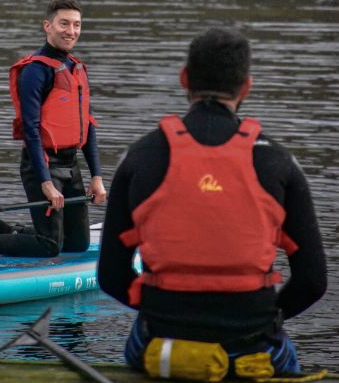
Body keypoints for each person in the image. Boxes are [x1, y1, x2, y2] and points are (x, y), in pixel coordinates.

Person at [98, 27, 327, 379]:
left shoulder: (139, 157)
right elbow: (313, 282)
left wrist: (160, 311)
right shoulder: (280, 163)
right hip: (252, 348)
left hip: (162, 345)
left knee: (141, 341)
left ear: (184, 78)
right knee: (285, 357)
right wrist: (266, 318)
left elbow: (111, 277)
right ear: (246, 86)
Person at [0, 0, 106, 261]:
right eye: (64, 24)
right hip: (42, 165)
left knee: (77, 244)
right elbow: (31, 130)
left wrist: (96, 176)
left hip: (71, 165)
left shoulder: (77, 69)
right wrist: (46, 183)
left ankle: (11, 231)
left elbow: (89, 125)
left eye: (76, 25)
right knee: (48, 246)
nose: (71, 31)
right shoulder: (35, 71)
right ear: (47, 26)